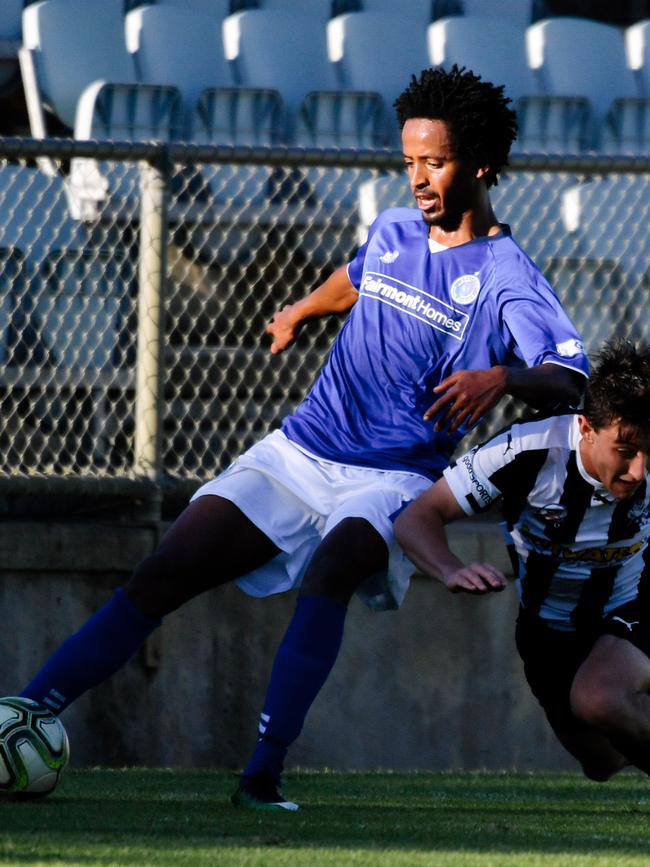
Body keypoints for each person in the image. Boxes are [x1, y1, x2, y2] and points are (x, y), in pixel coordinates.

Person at [16, 66, 588, 811]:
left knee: (334, 565)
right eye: (408, 160)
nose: (417, 178)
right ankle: (24, 711)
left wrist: (500, 381)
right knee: (165, 569)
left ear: (480, 163)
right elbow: (354, 279)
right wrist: (298, 310)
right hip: (297, 451)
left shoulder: (508, 273)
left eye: (434, 163)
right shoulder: (392, 228)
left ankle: (262, 771)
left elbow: (571, 377)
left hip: (392, 477)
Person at [395, 339, 650, 783]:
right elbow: (418, 517)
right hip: (547, 628)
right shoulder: (526, 450)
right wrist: (450, 567)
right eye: (625, 452)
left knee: (600, 699)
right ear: (587, 427)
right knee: (602, 761)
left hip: (632, 603)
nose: (639, 471)